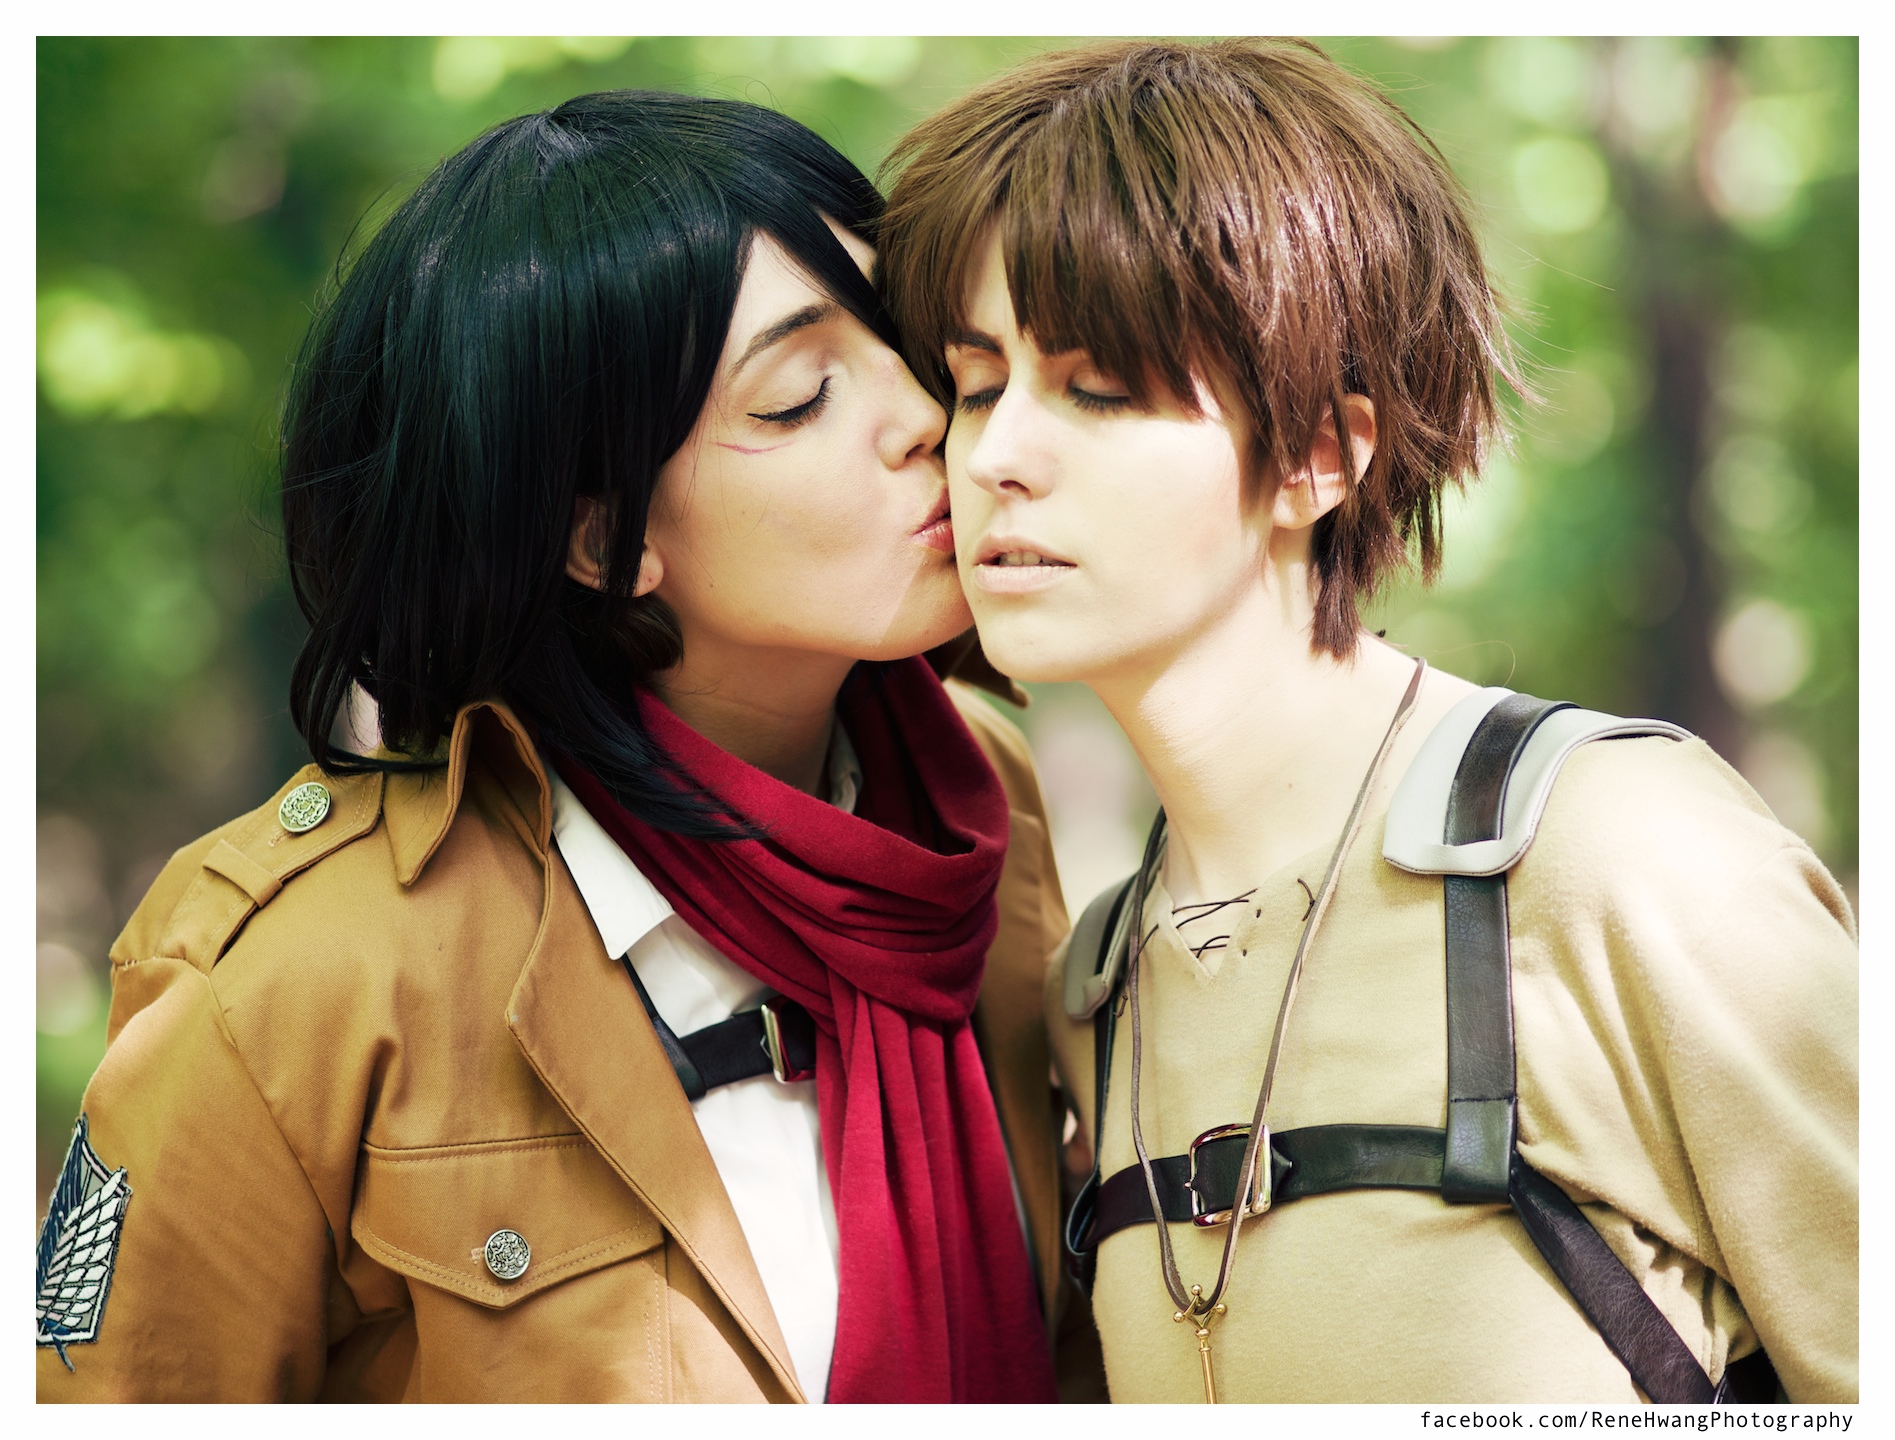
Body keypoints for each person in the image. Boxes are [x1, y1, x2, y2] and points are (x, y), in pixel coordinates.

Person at [35, 91, 1074, 1403]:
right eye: (800, 396)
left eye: (906, 340)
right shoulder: (302, 970)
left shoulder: (975, 808)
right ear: (601, 538)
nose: (926, 412)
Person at [877, 38, 1857, 1404]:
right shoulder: (1095, 984)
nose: (994, 458)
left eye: (1096, 390)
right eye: (977, 385)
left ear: (1321, 455)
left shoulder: (1612, 855)